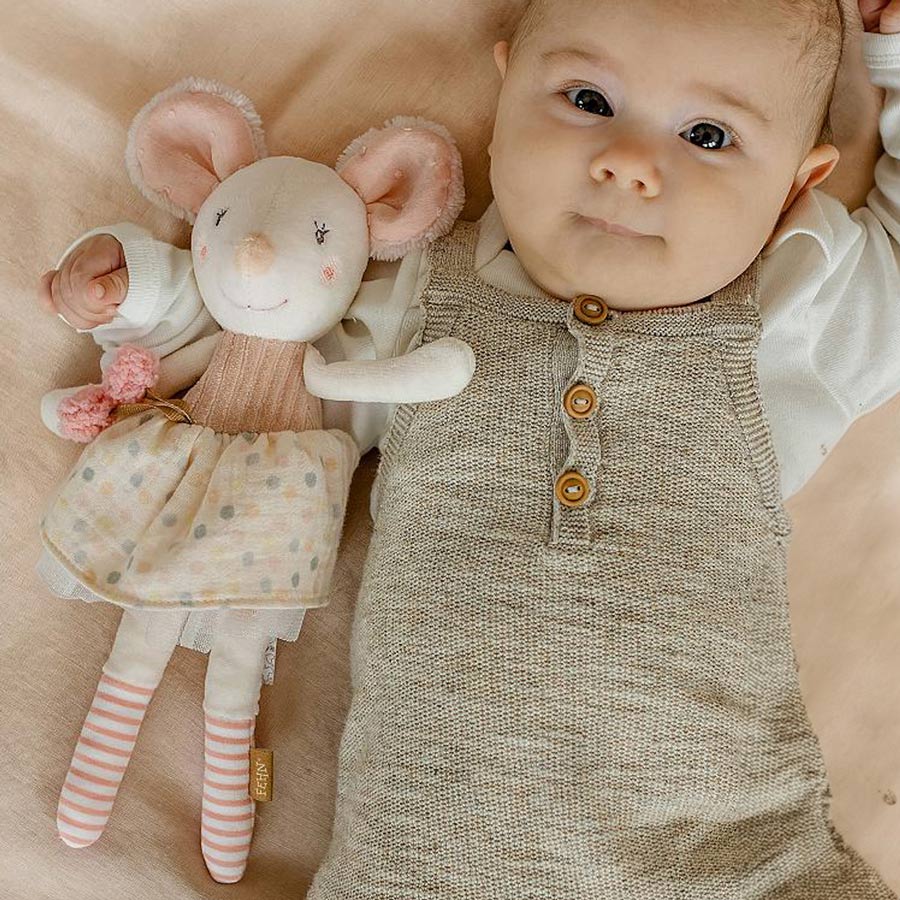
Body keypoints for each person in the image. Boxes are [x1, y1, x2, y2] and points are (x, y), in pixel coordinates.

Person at [39, 0, 900, 895]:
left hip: (737, 861)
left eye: (710, 134)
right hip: (424, 867)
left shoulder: (797, 311)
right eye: (589, 100)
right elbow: (262, 356)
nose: (631, 164)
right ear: (504, 98)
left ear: (798, 186)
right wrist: (137, 295)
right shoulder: (415, 298)